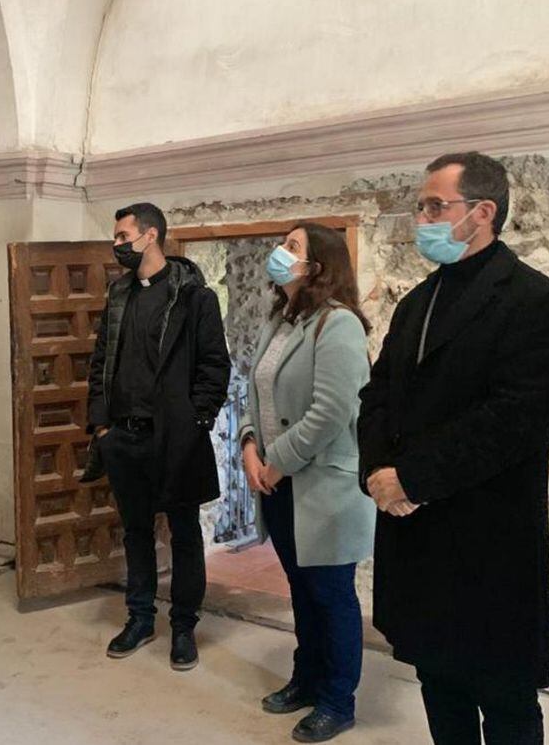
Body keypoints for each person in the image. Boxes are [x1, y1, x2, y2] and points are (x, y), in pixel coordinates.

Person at [358, 152, 549, 745]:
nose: (422, 217)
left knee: (504, 697)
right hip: (418, 536)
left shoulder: (539, 303)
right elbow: (377, 396)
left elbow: (515, 421)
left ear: (482, 211)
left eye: (436, 205)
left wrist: (412, 478)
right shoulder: (416, 305)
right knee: (439, 684)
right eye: (422, 205)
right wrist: (377, 471)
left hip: (488, 540)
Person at [239, 222, 376, 742]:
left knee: (331, 593)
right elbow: (256, 390)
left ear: (317, 266)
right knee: (300, 588)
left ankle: (338, 700)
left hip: (324, 486)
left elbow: (332, 412)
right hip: (278, 480)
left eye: (291, 247)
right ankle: (306, 678)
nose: (280, 253)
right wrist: (250, 445)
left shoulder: (338, 324)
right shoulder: (280, 317)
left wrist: (277, 461)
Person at [86, 202, 231, 670]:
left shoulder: (193, 297)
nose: (117, 244)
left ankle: (184, 626)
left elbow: (214, 365)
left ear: (151, 236)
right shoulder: (119, 294)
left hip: (174, 437)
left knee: (184, 532)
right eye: (116, 237)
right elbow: (100, 363)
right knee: (135, 532)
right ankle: (140, 617)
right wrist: (102, 425)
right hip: (124, 436)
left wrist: (197, 421)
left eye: (124, 236)